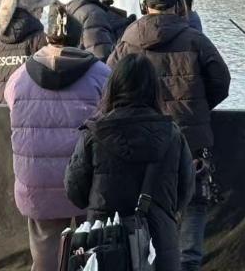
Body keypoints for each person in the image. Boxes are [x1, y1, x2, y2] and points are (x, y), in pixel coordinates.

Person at [107, 0, 231, 271]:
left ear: (145, 8)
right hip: (190, 135)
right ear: (179, 8)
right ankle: (188, 264)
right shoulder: (195, 39)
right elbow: (221, 82)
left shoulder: (129, 38)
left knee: (142, 201)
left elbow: (109, 81)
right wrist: (198, 108)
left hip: (138, 134)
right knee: (194, 202)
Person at [65, 54, 195, 271]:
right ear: (154, 90)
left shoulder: (95, 135)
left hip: (105, 242)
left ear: (113, 87)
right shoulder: (173, 135)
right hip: (158, 242)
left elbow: (75, 192)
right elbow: (186, 191)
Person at [5, 2, 110, 271]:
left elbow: (12, 106)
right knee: (95, 249)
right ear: (79, 38)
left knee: (45, 252)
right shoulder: (101, 74)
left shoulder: (19, 76)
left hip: (36, 179)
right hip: (88, 179)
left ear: (46, 37)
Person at [0, 0, 55, 104]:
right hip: (28, 111)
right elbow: (49, 78)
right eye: (41, 9)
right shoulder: (40, 39)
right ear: (33, 11)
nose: (41, 14)